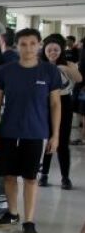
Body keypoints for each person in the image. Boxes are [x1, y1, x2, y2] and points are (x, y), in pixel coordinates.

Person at [0, 28, 62, 233]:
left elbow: (56, 104)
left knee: (31, 178)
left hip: (36, 132)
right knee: (9, 176)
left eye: (32, 43)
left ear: (39, 45)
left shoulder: (49, 71)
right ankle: (12, 213)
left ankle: (29, 221)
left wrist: (55, 135)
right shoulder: (6, 70)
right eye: (23, 44)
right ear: (16, 46)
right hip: (9, 131)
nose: (28, 48)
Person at [38, 34, 81, 189]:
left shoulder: (68, 63)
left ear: (61, 50)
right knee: (47, 138)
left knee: (62, 142)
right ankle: (44, 175)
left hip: (64, 103)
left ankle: (65, 177)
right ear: (45, 51)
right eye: (49, 50)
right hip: (45, 103)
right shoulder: (40, 65)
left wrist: (64, 68)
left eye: (56, 50)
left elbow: (79, 78)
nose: (52, 53)